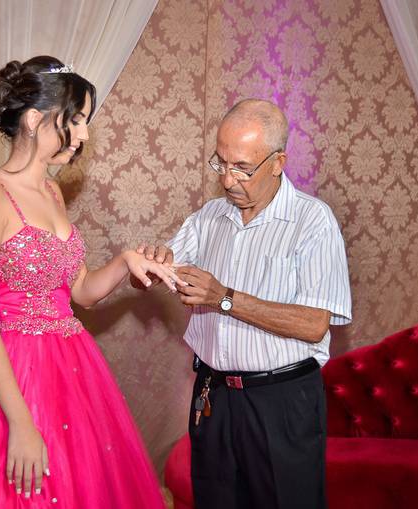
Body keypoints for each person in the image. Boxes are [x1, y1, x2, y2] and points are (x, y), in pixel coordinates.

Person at [0, 56, 180, 509]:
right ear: (36, 120)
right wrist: (19, 422)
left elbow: (79, 292)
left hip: (72, 370)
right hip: (16, 375)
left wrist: (125, 262)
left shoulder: (52, 192)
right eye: (76, 120)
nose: (85, 134)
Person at [141, 99, 352, 509]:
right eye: (220, 163)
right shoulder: (210, 217)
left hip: (281, 402)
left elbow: (314, 324)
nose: (227, 180)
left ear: (277, 163)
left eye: (241, 167)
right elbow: (160, 270)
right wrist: (149, 266)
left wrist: (224, 298)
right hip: (213, 398)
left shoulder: (313, 221)